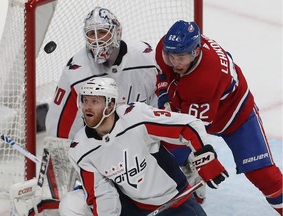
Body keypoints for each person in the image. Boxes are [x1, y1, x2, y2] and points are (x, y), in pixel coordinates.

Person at [155, 20, 283, 215]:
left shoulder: (204, 80)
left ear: (195, 51)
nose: (174, 62)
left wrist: (203, 158)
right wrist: (164, 94)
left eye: (180, 57)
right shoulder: (167, 47)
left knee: (263, 175)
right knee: (163, 159)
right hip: (197, 105)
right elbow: (163, 73)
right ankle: (190, 182)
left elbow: (192, 128)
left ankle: (191, 172)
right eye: (170, 55)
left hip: (236, 117)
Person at [58, 77, 228, 216]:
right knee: (71, 204)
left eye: (95, 101)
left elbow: (187, 125)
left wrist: (205, 158)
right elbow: (99, 193)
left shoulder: (136, 118)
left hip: (174, 202)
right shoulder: (81, 148)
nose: (87, 107)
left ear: (110, 105)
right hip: (131, 206)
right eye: (85, 101)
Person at [45, 6, 158, 140]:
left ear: (117, 32)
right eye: (92, 34)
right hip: (100, 146)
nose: (97, 40)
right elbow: (60, 123)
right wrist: (60, 151)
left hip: (144, 142)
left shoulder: (145, 57)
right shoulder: (77, 70)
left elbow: (160, 100)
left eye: (102, 32)